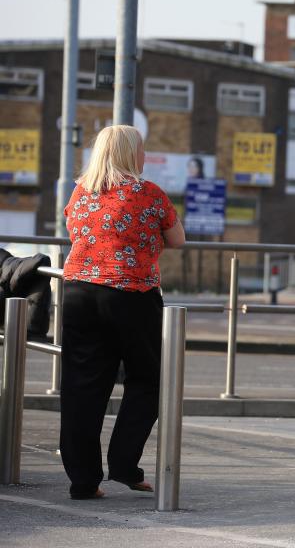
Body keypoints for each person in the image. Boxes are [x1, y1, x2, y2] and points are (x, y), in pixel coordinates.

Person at [59, 125, 185, 500]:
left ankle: (83, 481)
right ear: (132, 154)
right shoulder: (147, 194)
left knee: (82, 386)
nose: (145, 156)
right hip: (133, 293)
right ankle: (125, 465)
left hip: (79, 293)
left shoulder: (81, 192)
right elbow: (177, 239)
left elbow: (74, 234)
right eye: (142, 150)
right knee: (148, 380)